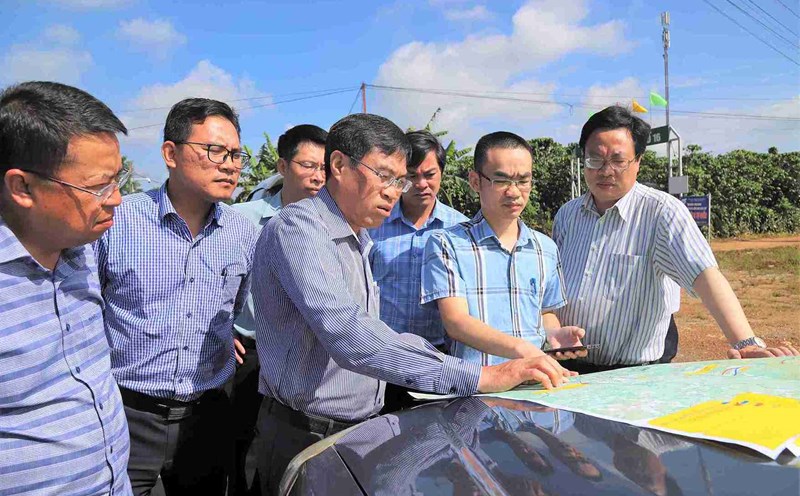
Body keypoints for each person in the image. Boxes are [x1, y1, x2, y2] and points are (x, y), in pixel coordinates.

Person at [252, 113, 575, 495]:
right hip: (304, 433)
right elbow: (352, 337)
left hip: (358, 427)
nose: (394, 190)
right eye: (384, 176)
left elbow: (380, 333)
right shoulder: (300, 229)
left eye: (398, 180)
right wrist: (483, 377)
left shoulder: (359, 238)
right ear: (338, 165)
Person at [553, 105, 799, 374]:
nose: (606, 170)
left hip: (636, 375)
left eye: (618, 160)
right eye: (595, 159)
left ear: (638, 162)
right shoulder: (567, 215)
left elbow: (704, 275)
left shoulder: (661, 213)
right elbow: (553, 290)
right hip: (569, 370)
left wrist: (746, 343)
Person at [95, 98, 259, 494]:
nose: (230, 164)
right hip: (126, 413)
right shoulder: (117, 222)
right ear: (171, 153)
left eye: (236, 154)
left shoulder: (244, 233)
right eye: (215, 151)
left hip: (207, 413)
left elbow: (232, 311)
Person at [0, 81, 132, 495]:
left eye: (119, 178)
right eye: (97, 187)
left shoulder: (83, 252)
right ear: (22, 187)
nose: (117, 200)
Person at [421, 131, 586, 366]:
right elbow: (455, 321)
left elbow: (545, 313)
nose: (514, 192)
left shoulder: (545, 248)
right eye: (501, 180)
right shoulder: (446, 243)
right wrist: (521, 349)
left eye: (523, 180)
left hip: (537, 385)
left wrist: (554, 335)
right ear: (475, 181)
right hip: (477, 390)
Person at [229, 123, 327, 495]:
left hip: (300, 356)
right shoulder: (244, 218)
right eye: (307, 166)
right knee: (237, 446)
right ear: (282, 166)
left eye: (324, 168)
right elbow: (214, 280)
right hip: (247, 353)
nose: (317, 177)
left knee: (285, 453)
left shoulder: (330, 222)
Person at [368, 130, 467, 412]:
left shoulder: (459, 230)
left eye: (430, 174)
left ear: (441, 174)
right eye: (412, 175)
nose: (421, 184)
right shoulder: (375, 223)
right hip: (381, 359)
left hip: (437, 360)